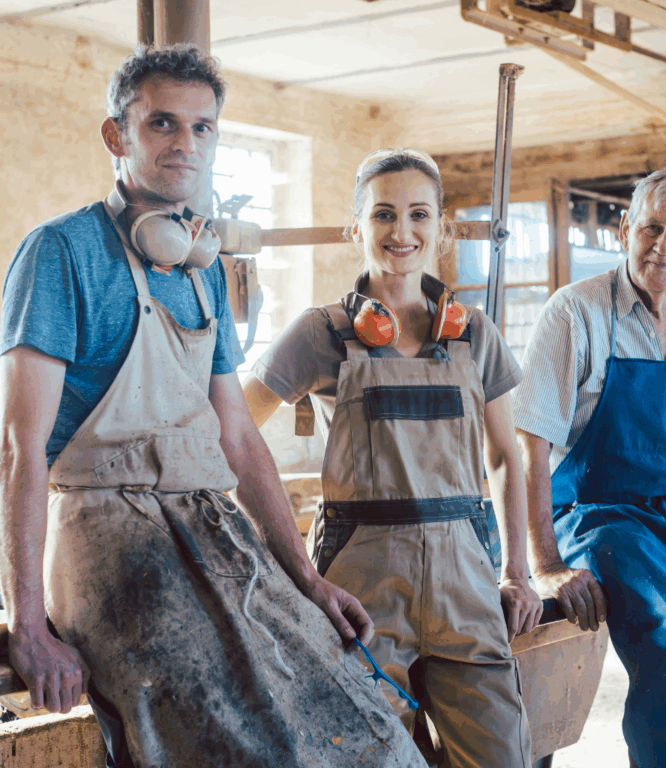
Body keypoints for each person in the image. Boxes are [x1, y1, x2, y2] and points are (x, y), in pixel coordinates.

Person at [0, 44, 428, 768]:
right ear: (117, 136)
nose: (185, 144)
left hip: (212, 524)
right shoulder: (60, 253)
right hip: (112, 538)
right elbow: (19, 447)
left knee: (363, 721)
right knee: (237, 740)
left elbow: (238, 434)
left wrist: (306, 578)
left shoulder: (201, 271)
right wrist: (28, 625)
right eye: (162, 124)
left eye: (203, 128)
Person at [244, 147, 542, 768]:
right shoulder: (321, 333)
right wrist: (294, 565)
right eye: (383, 215)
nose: (401, 232)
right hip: (361, 590)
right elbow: (233, 432)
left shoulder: (476, 334)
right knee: (370, 757)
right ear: (357, 227)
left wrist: (518, 571)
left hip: (468, 584)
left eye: (418, 214)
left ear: (442, 226)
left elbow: (507, 457)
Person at [512, 167, 666, 767]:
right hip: (604, 521)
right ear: (624, 228)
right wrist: (545, 565)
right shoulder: (575, 313)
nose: (665, 246)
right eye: (651, 227)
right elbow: (531, 448)